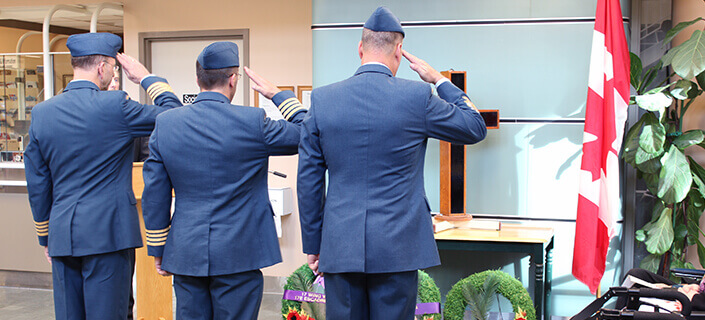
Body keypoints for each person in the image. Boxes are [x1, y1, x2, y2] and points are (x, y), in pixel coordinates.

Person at [297, 6, 488, 320]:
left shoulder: (323, 100)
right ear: (399, 51)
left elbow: (309, 181)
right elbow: (474, 127)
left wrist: (314, 244)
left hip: (340, 245)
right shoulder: (417, 96)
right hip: (398, 248)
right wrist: (438, 79)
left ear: (360, 48)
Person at [141, 41, 306, 320]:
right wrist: (277, 95)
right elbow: (307, 131)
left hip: (186, 251)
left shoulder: (166, 124)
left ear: (198, 79)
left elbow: (154, 193)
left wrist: (158, 247)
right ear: (233, 80)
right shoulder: (253, 121)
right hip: (240, 252)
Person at [24, 32, 182, 320]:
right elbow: (174, 115)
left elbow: (37, 182)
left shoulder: (42, 113)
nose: (114, 73)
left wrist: (46, 236)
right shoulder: (115, 106)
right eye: (113, 67)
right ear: (102, 68)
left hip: (63, 235)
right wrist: (147, 78)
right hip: (109, 235)